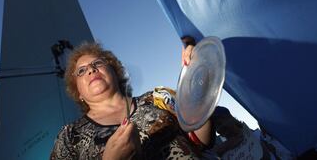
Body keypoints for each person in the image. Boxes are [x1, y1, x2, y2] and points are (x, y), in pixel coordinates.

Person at [50, 41, 213, 159]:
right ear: (78, 92)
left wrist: (196, 72)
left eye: (97, 63)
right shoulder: (70, 137)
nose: (91, 70)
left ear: (114, 71)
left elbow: (202, 140)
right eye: (81, 71)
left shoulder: (158, 98)